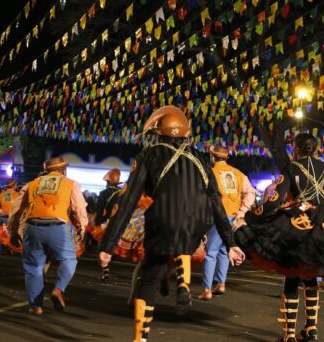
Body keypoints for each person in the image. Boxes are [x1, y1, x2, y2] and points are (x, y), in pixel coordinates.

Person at [98, 106, 245, 342]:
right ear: (186, 134)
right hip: (196, 226)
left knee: (149, 276)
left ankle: (140, 338)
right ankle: (182, 283)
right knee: (183, 247)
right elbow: (216, 202)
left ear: (159, 134)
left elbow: (128, 201)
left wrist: (108, 245)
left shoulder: (149, 155)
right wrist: (231, 244)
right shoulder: (199, 158)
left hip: (163, 223)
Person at [236, 133, 324, 342]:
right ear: (316, 148)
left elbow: (274, 202)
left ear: (296, 149)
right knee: (312, 271)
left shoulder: (292, 168)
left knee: (293, 274)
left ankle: (289, 336)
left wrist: (253, 216)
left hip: (299, 224)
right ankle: (311, 329)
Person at [8, 157, 88, 315]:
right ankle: (58, 289)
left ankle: (36, 306)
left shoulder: (32, 184)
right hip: (57, 226)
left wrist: (13, 230)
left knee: (33, 268)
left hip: (32, 227)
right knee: (69, 259)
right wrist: (83, 228)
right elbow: (79, 208)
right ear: (63, 170)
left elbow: (17, 209)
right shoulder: (70, 183)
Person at [198, 145, 255, 301]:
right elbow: (251, 192)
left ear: (212, 157)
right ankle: (221, 283)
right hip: (233, 218)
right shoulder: (237, 173)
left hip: (217, 217)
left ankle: (207, 289)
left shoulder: (210, 173)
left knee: (211, 253)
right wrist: (242, 211)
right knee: (224, 250)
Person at [0, 179, 18, 260]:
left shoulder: (1, 194)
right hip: (12, 219)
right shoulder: (17, 194)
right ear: (14, 185)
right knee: (15, 235)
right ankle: (12, 249)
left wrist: (0, 211)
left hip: (2, 218)